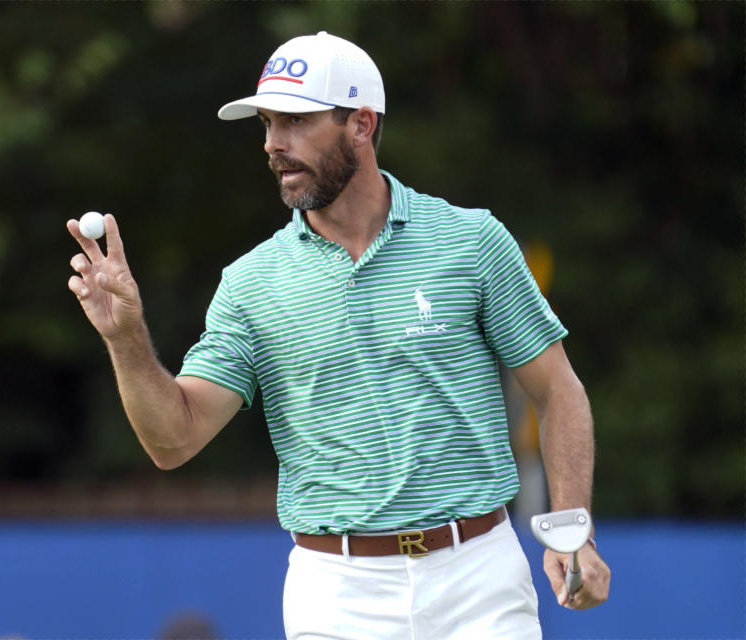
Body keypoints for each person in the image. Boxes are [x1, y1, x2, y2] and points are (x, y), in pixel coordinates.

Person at [67, 31, 610, 639]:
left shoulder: (471, 242)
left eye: (296, 121)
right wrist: (126, 338)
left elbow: (559, 390)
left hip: (479, 575)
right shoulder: (252, 283)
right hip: (335, 592)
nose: (274, 143)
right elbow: (173, 441)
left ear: (360, 123)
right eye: (268, 124)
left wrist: (572, 527)